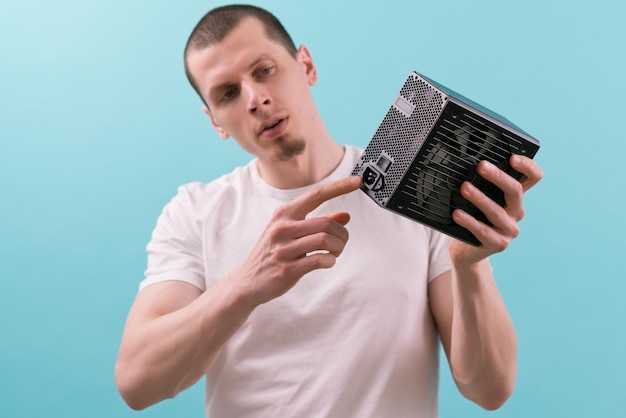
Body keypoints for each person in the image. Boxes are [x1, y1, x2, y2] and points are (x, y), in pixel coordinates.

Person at [114, 4, 543, 417]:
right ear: (215, 122)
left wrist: (469, 266)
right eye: (228, 93)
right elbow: (137, 382)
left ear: (306, 66)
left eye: (265, 70)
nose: (255, 99)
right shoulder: (195, 212)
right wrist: (246, 284)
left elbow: (489, 389)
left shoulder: (411, 194)